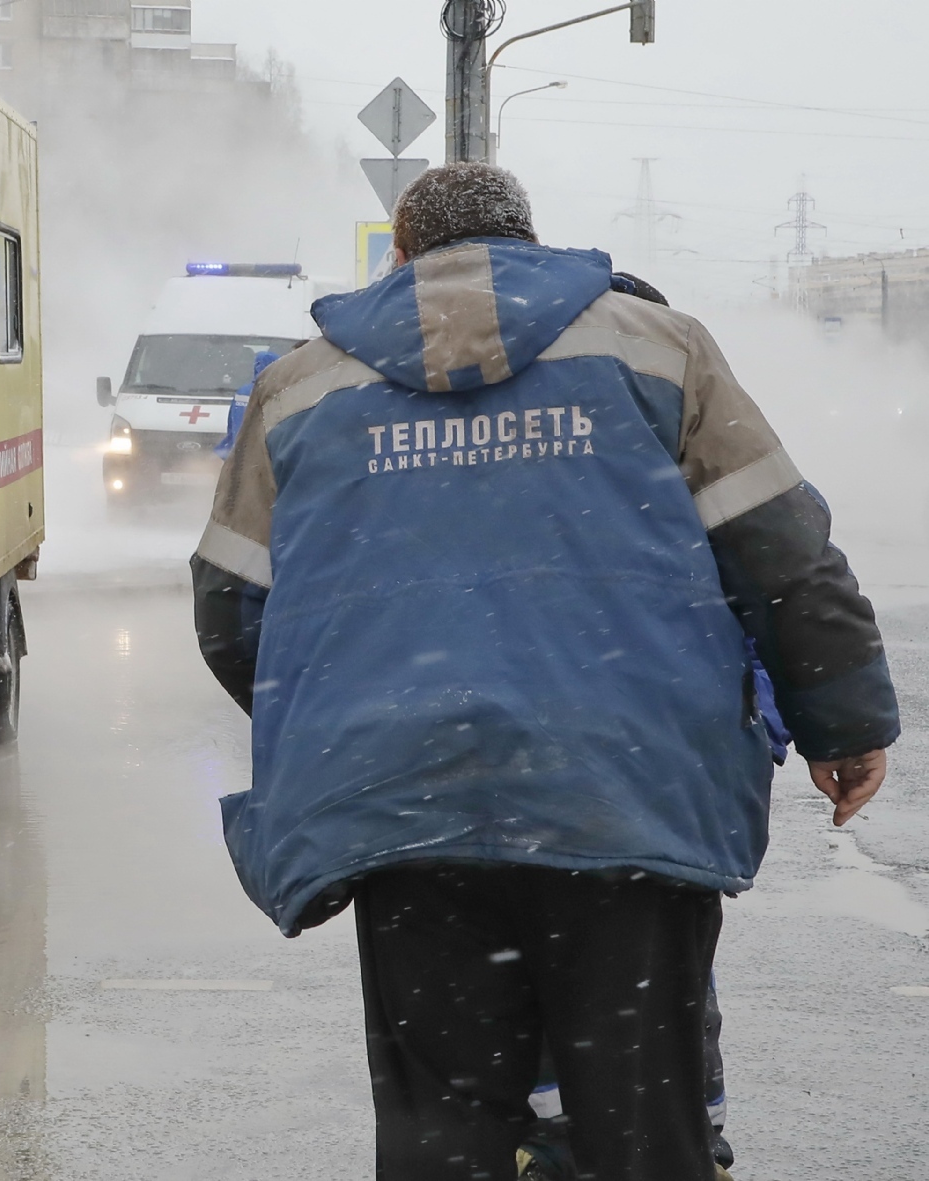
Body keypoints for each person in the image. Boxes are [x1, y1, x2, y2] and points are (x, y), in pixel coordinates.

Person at [190, 162, 897, 1181]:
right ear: (529, 243)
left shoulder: (299, 386)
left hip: (404, 804)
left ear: (398, 257)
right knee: (642, 1125)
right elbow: (781, 551)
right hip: (622, 790)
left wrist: (349, 721)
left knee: (441, 1127)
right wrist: (839, 722)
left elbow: (228, 607)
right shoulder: (656, 347)